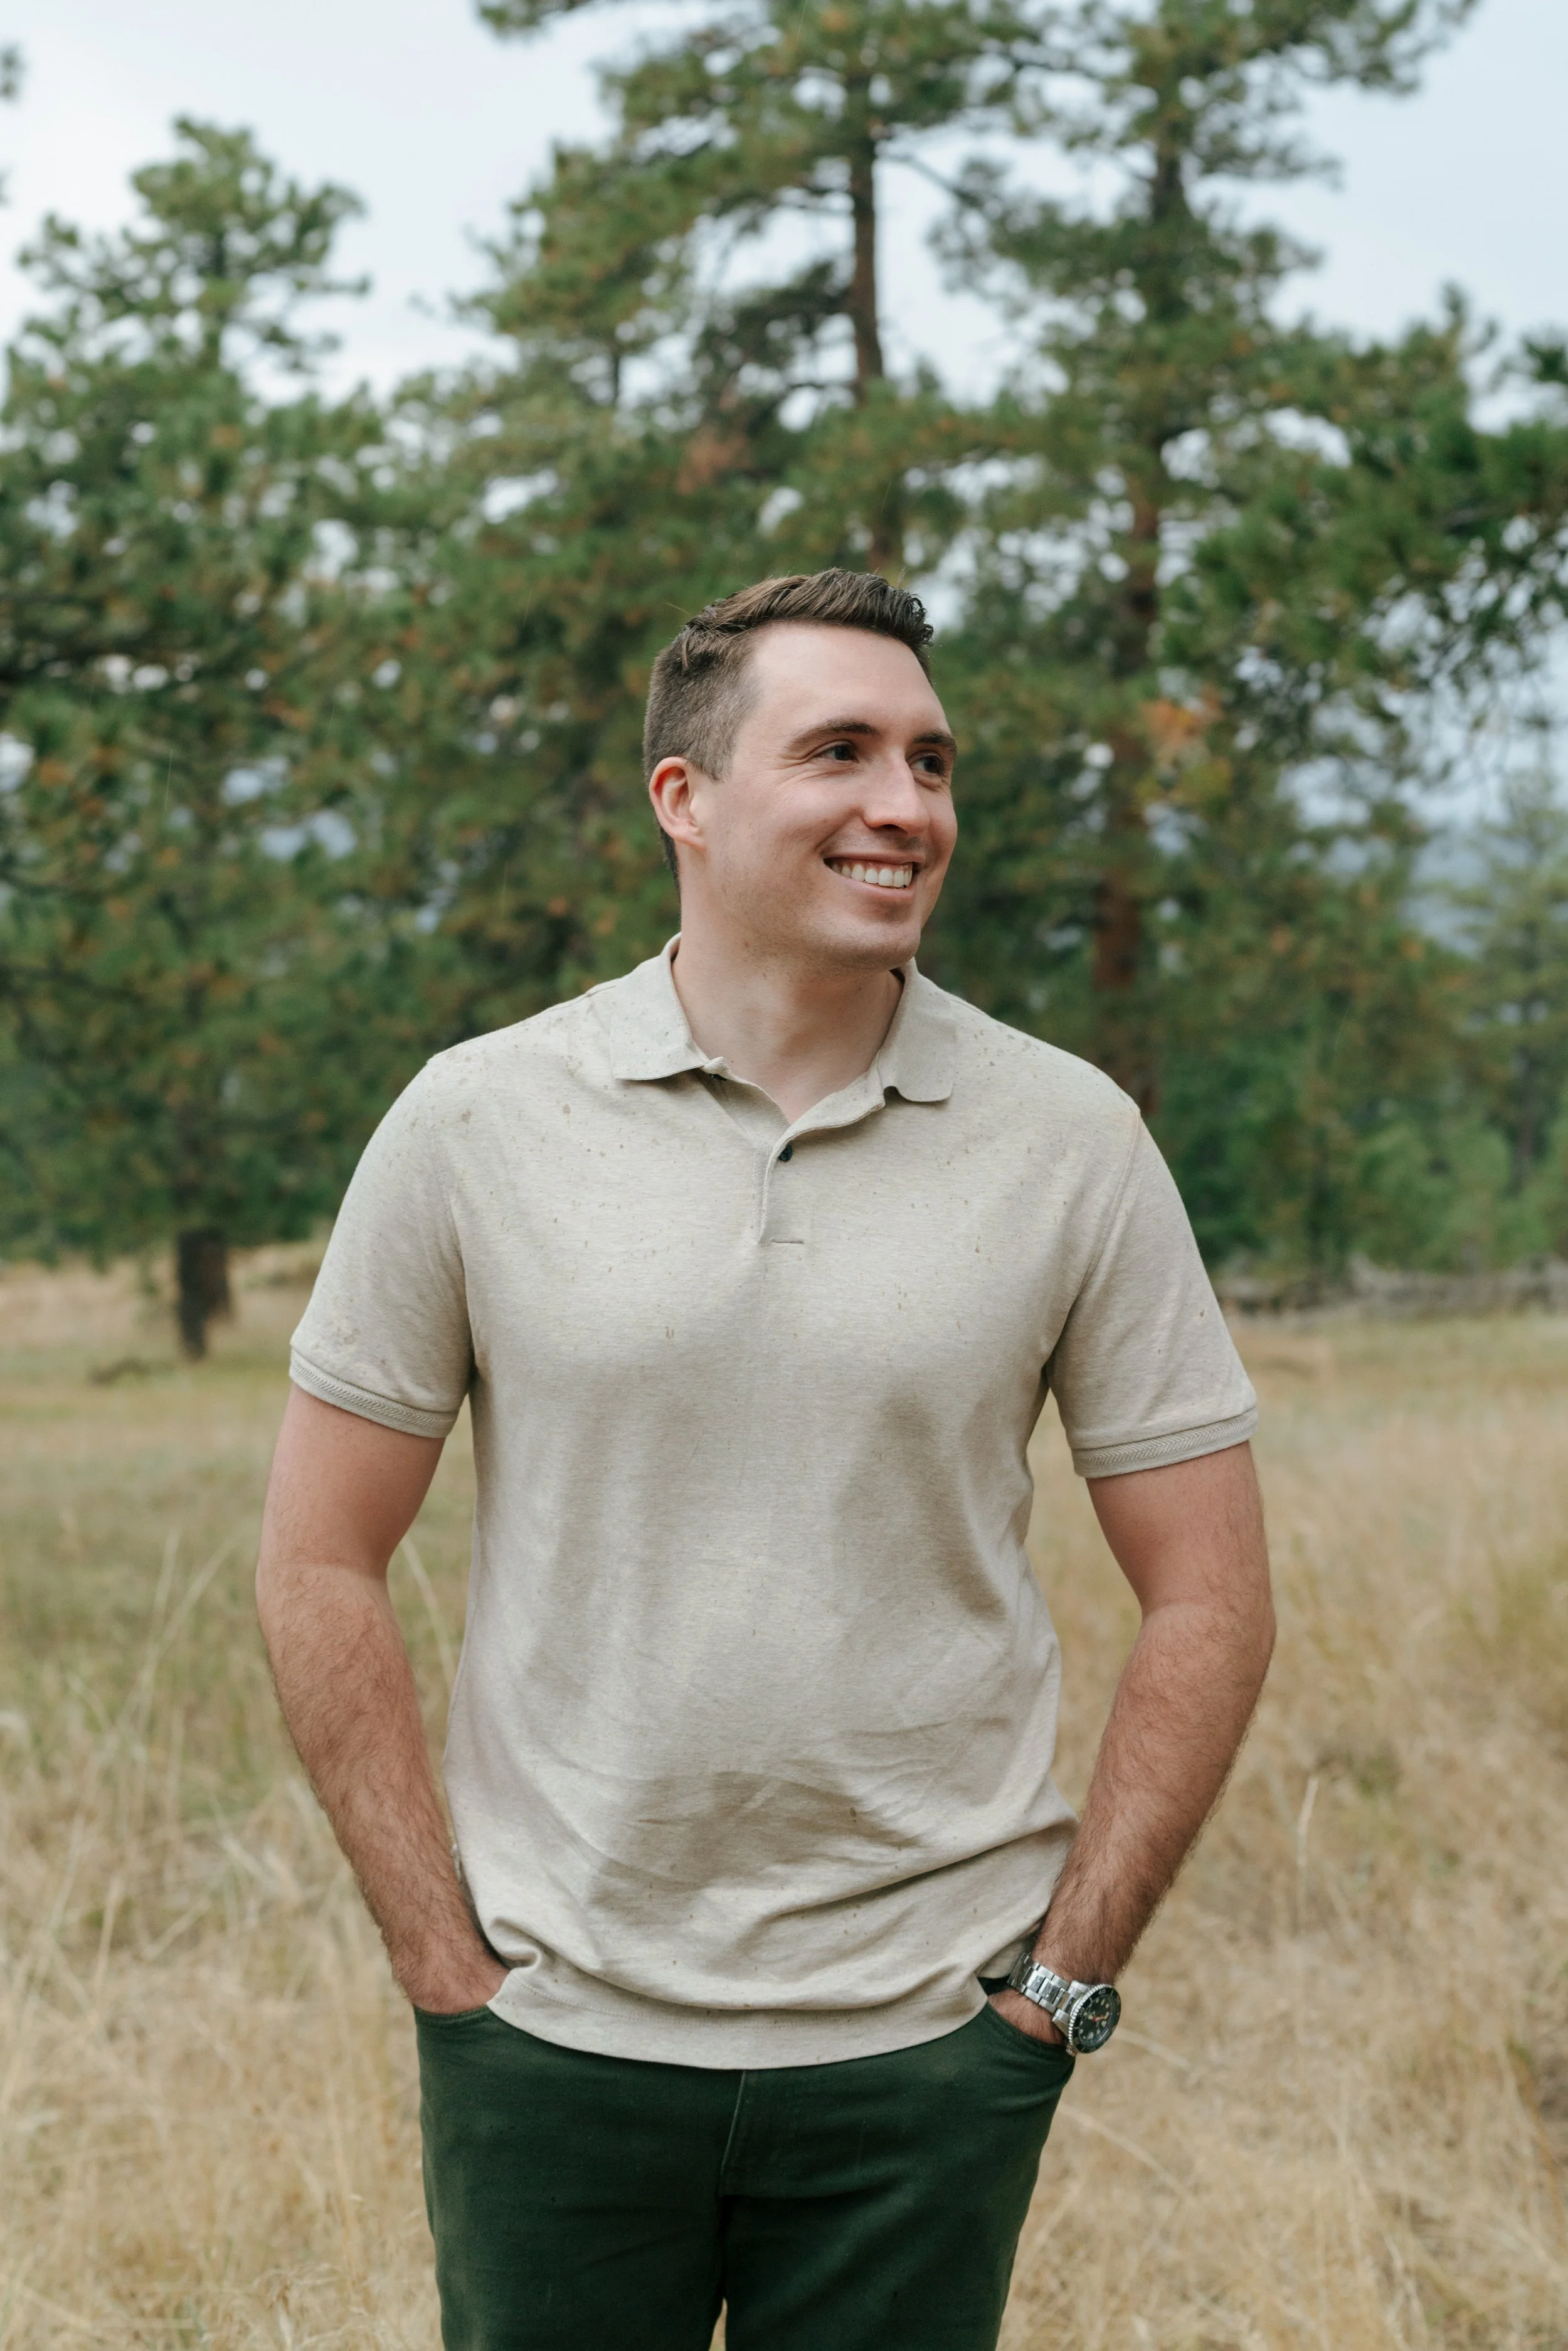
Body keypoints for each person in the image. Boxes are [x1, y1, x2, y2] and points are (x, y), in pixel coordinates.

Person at [257, 568, 1274, 2351]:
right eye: (841, 752)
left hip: (925, 2054)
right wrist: (447, 1970)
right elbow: (315, 1560)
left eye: (931, 761)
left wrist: (1059, 1984)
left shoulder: (1070, 1138)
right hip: (555, 2044)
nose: (906, 805)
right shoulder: (476, 1118)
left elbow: (1209, 1595)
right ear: (685, 797)